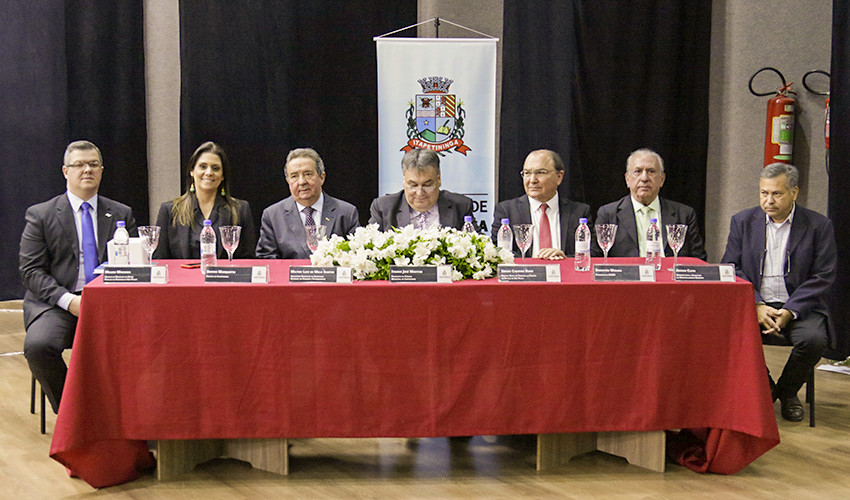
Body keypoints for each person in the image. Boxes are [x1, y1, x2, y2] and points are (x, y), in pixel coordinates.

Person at [19, 140, 137, 413]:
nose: (87, 170)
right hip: (58, 304)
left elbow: (132, 263)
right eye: (79, 164)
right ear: (65, 171)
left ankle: (131, 414)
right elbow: (30, 271)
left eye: (93, 164)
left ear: (102, 170)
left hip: (109, 304)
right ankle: (75, 414)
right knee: (38, 346)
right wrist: (68, 301)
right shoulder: (41, 215)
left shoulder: (121, 213)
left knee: (150, 341)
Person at [722, 163, 836, 422]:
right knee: (724, 334)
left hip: (800, 307)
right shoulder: (742, 221)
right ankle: (767, 388)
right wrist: (757, 304)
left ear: (794, 193)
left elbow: (823, 275)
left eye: (777, 194)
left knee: (815, 340)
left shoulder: (818, 226)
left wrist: (790, 310)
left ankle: (786, 392)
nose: (768, 200)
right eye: (764, 193)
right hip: (756, 304)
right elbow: (731, 266)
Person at [592, 148, 707, 260]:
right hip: (627, 278)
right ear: (627, 179)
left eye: (651, 171)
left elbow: (699, 260)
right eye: (638, 171)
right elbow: (595, 258)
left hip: (669, 277)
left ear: (662, 179)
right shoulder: (608, 214)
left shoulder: (684, 215)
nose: (644, 178)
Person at [153, 142, 256, 260]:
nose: (209, 172)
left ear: (223, 176)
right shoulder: (170, 210)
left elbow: (249, 260)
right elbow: (160, 260)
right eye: (203, 166)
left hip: (226, 278)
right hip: (182, 278)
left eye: (216, 168)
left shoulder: (240, 210)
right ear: (192, 171)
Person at [256, 148, 359, 259]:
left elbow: (357, 257)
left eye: (308, 174)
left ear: (322, 177)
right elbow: (266, 260)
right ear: (288, 181)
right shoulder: (273, 216)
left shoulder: (346, 212)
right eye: (294, 176)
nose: (302, 182)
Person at [491, 149, 591, 259]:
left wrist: (565, 259)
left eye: (540, 172)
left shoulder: (579, 212)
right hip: (525, 274)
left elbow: (593, 252)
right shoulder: (506, 211)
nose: (532, 180)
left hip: (567, 274)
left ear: (559, 177)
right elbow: (498, 251)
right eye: (527, 173)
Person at [369, 148, 474, 231]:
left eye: (427, 185)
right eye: (413, 185)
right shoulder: (383, 208)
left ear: (438, 179)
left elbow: (478, 248)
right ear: (404, 181)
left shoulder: (461, 207)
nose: (419, 193)